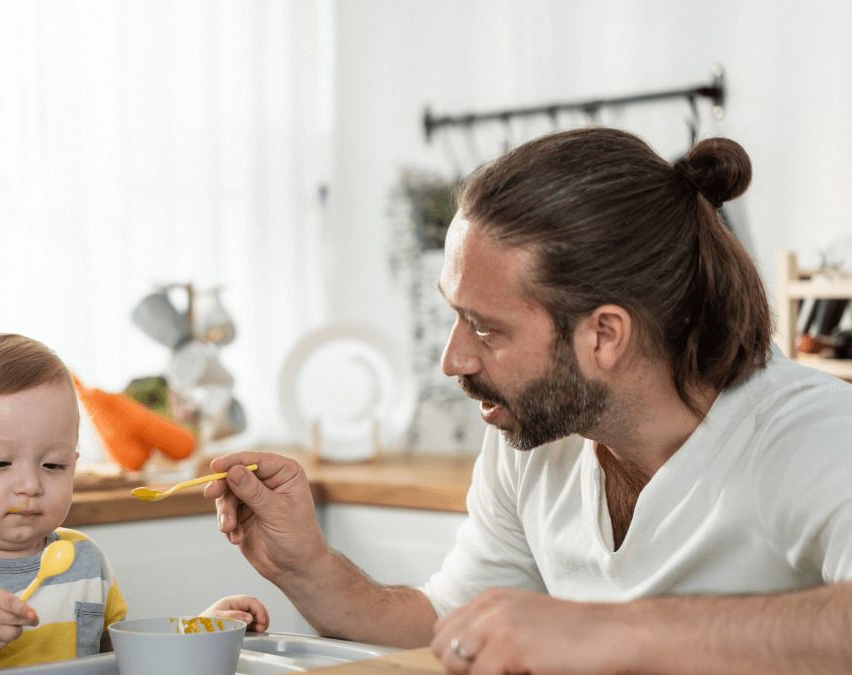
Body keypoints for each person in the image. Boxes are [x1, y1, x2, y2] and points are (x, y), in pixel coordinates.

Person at [204, 128, 852, 673]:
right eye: (456, 316)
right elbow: (445, 622)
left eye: (486, 326)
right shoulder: (536, 435)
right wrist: (306, 565)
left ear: (604, 334)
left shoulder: (811, 433)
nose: (453, 358)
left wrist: (609, 632)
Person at [0, 333, 268, 674]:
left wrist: (198, 633)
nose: (30, 484)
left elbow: (118, 662)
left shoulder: (83, 561)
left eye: (53, 464)